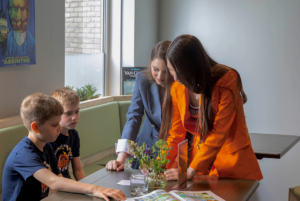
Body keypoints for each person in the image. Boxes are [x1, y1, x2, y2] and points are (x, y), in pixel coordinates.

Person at [162, 34, 263, 181]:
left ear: (191, 67)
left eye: (178, 70)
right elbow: (176, 132)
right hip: (200, 164)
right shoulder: (176, 88)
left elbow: (220, 131)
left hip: (232, 162)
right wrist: (158, 163)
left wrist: (191, 170)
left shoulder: (227, 79)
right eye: (171, 70)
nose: (175, 77)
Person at [1, 93, 125, 201]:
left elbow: (60, 179)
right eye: (55, 125)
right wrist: (94, 189)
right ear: (36, 127)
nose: (60, 128)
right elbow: (54, 182)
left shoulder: (47, 147)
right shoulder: (23, 154)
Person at [106, 41, 174, 171]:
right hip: (147, 147)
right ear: (150, 63)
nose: (160, 76)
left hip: (173, 149)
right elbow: (134, 116)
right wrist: (121, 157)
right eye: (155, 69)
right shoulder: (142, 79)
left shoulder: (181, 83)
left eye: (166, 72)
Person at [50, 87, 85, 180]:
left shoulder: (74, 135)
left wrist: (89, 189)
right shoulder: (49, 138)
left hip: (67, 183)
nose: (74, 117)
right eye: (68, 113)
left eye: (77, 111)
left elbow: (78, 170)